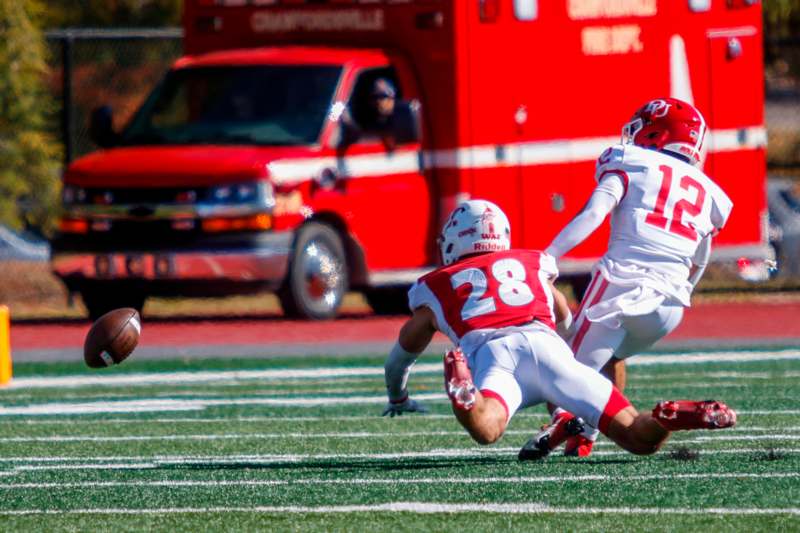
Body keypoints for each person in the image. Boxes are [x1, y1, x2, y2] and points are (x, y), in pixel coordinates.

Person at [381, 199, 736, 459]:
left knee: (487, 428)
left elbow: (400, 357)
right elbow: (563, 311)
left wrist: (398, 396)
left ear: (454, 241)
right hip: (548, 347)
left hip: (494, 355)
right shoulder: (531, 263)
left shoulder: (437, 284)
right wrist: (574, 353)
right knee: (639, 438)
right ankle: (669, 417)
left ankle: (467, 397)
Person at [540, 98, 734, 458]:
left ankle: (563, 425)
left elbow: (595, 211)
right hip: (669, 308)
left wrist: (549, 256)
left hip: (621, 285)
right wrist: (684, 291)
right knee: (608, 357)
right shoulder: (710, 191)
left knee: (563, 373)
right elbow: (700, 258)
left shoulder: (631, 161)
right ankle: (584, 437)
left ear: (658, 133)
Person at [338, 78, 419, 149]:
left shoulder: (402, 117)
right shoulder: (372, 120)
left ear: (393, 97)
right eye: (374, 97)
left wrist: (354, 128)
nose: (378, 101)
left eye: (383, 96)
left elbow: (392, 143)